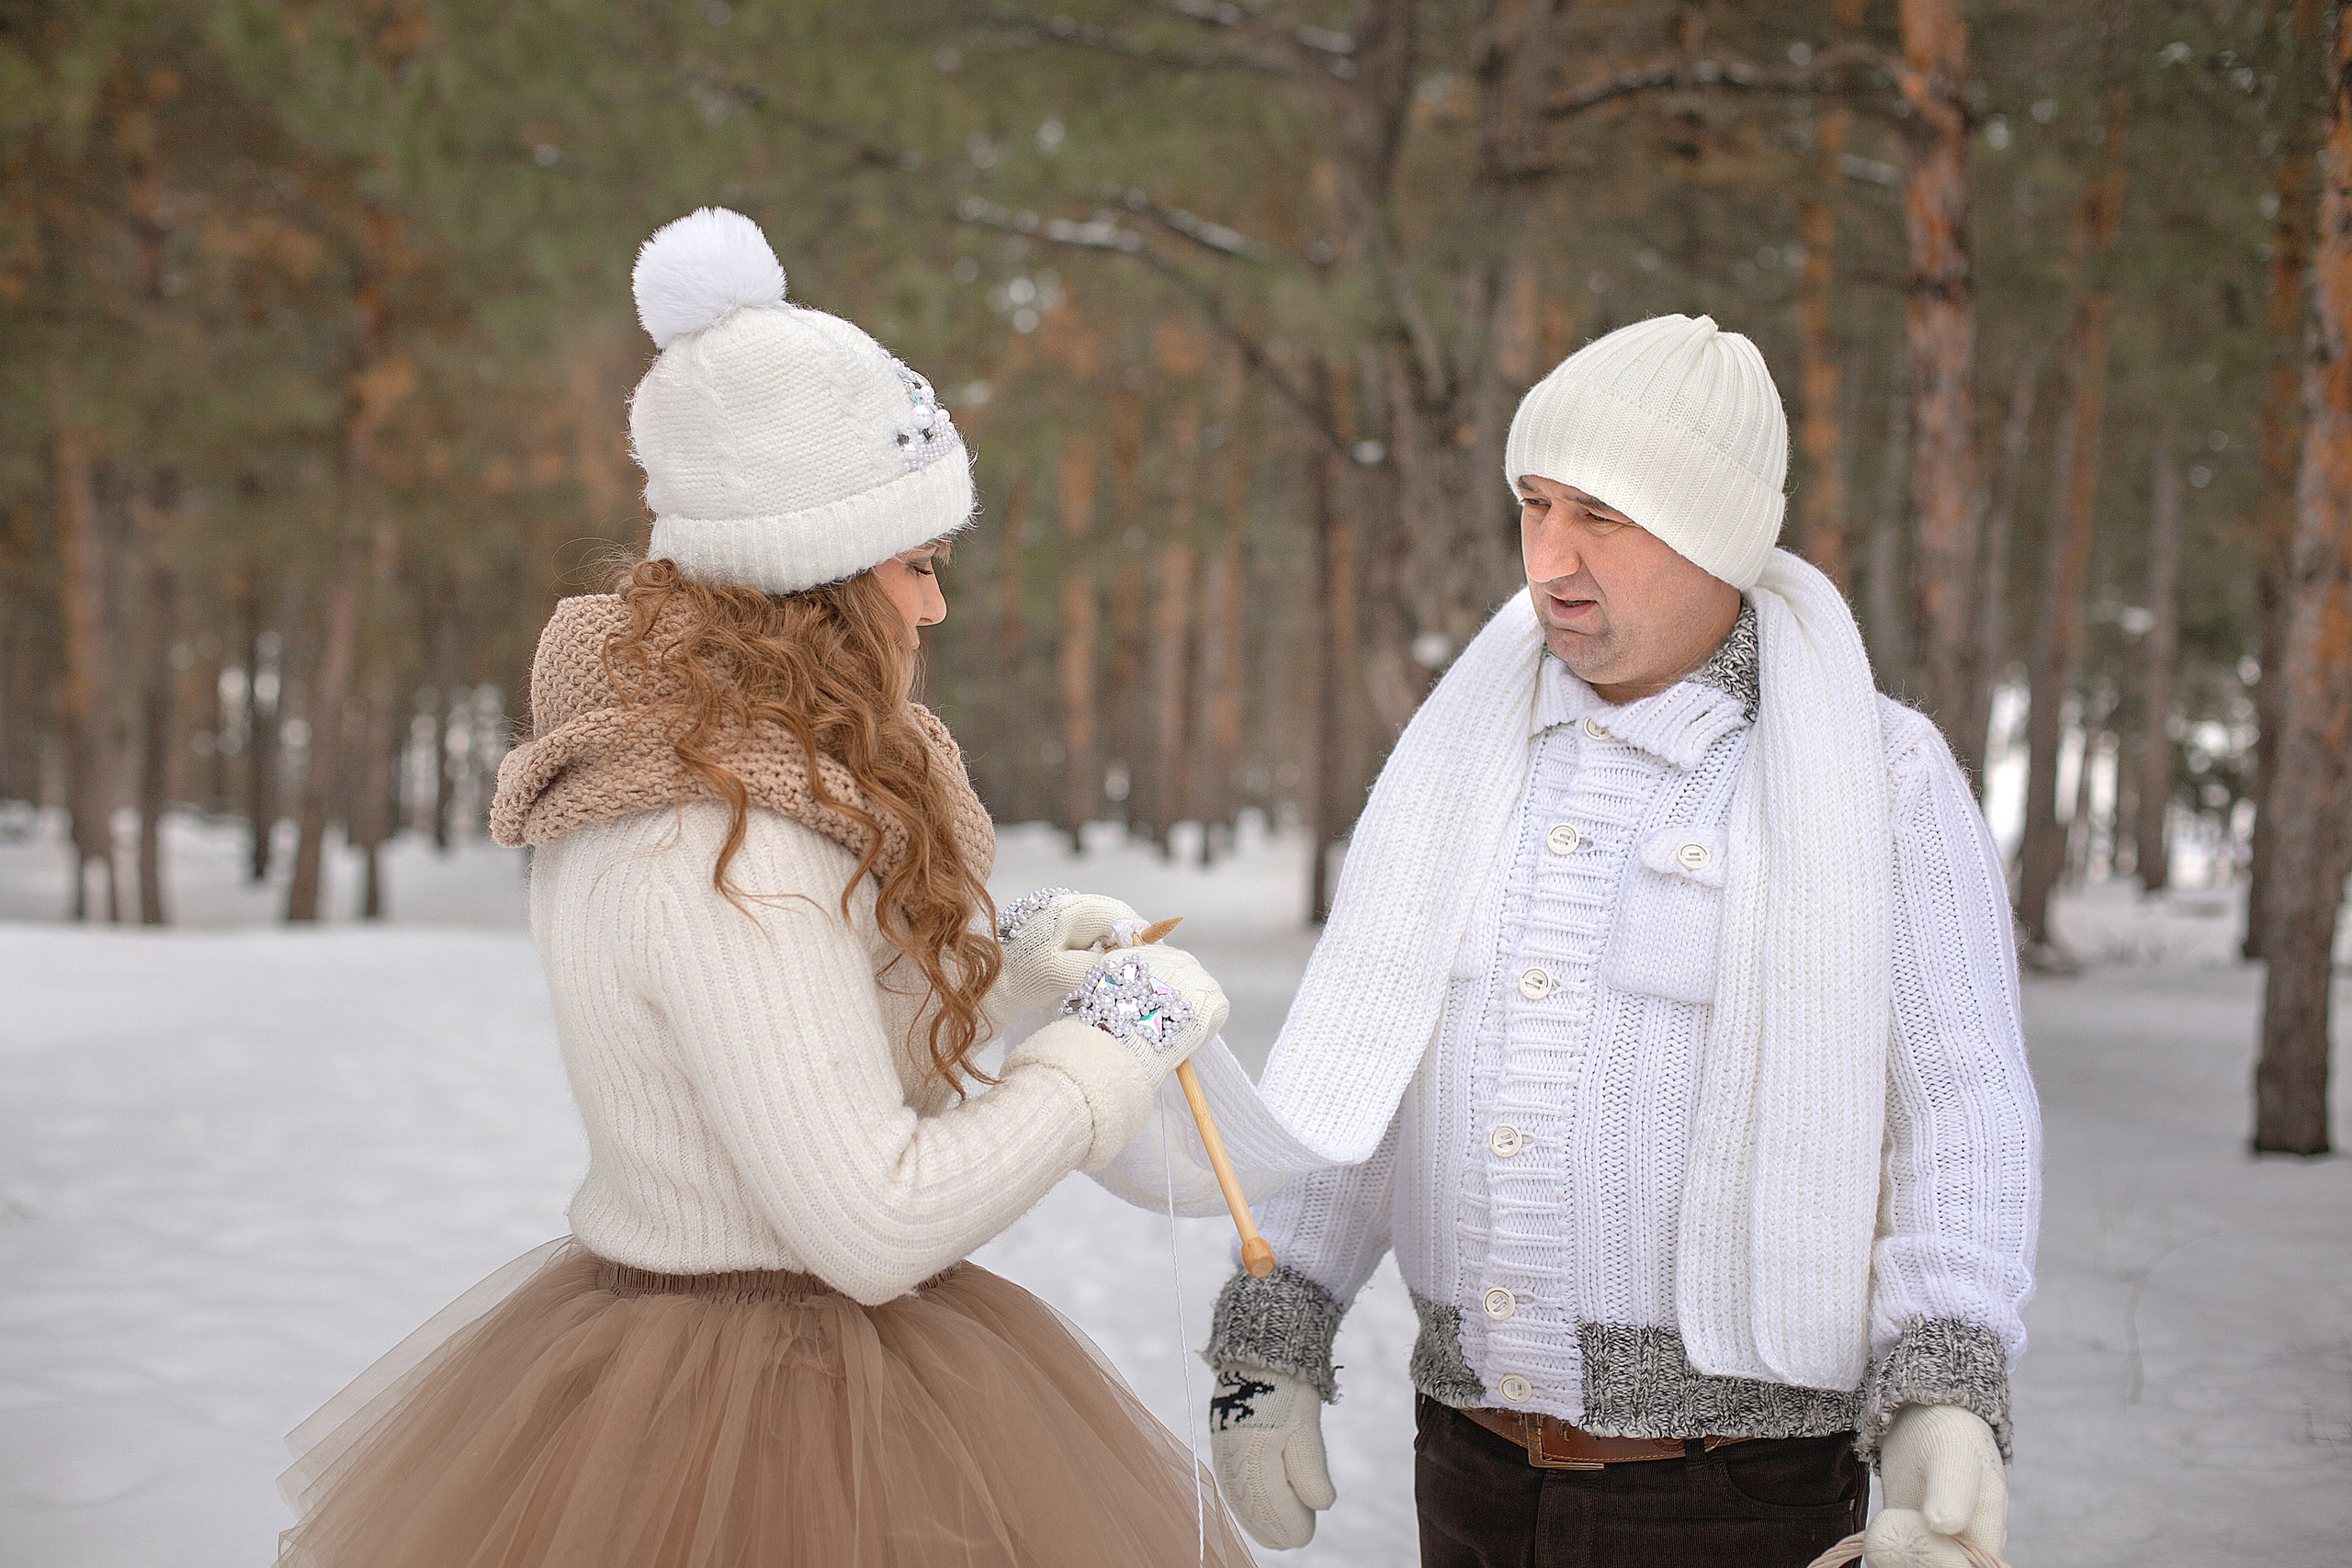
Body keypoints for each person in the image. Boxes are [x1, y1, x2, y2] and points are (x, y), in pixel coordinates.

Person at [276, 207, 1254, 1568]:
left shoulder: (734, 774)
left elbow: (803, 1045)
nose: (936, 608)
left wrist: (1014, 966)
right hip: (754, 1419)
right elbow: (876, 1218)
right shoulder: (717, 839)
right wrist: (1114, 1053)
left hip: (776, 1364)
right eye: (917, 567)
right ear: (819, 581)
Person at [1197, 315, 2041, 1568]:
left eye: (1601, 514)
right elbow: (1371, 1063)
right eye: (1535, 505)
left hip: (1733, 1497)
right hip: (1469, 1467)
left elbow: (1960, 1107)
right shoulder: (1459, 760)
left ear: (1714, 534)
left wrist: (1943, 1384)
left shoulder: (1880, 776)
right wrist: (1275, 1325)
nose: (1551, 557)